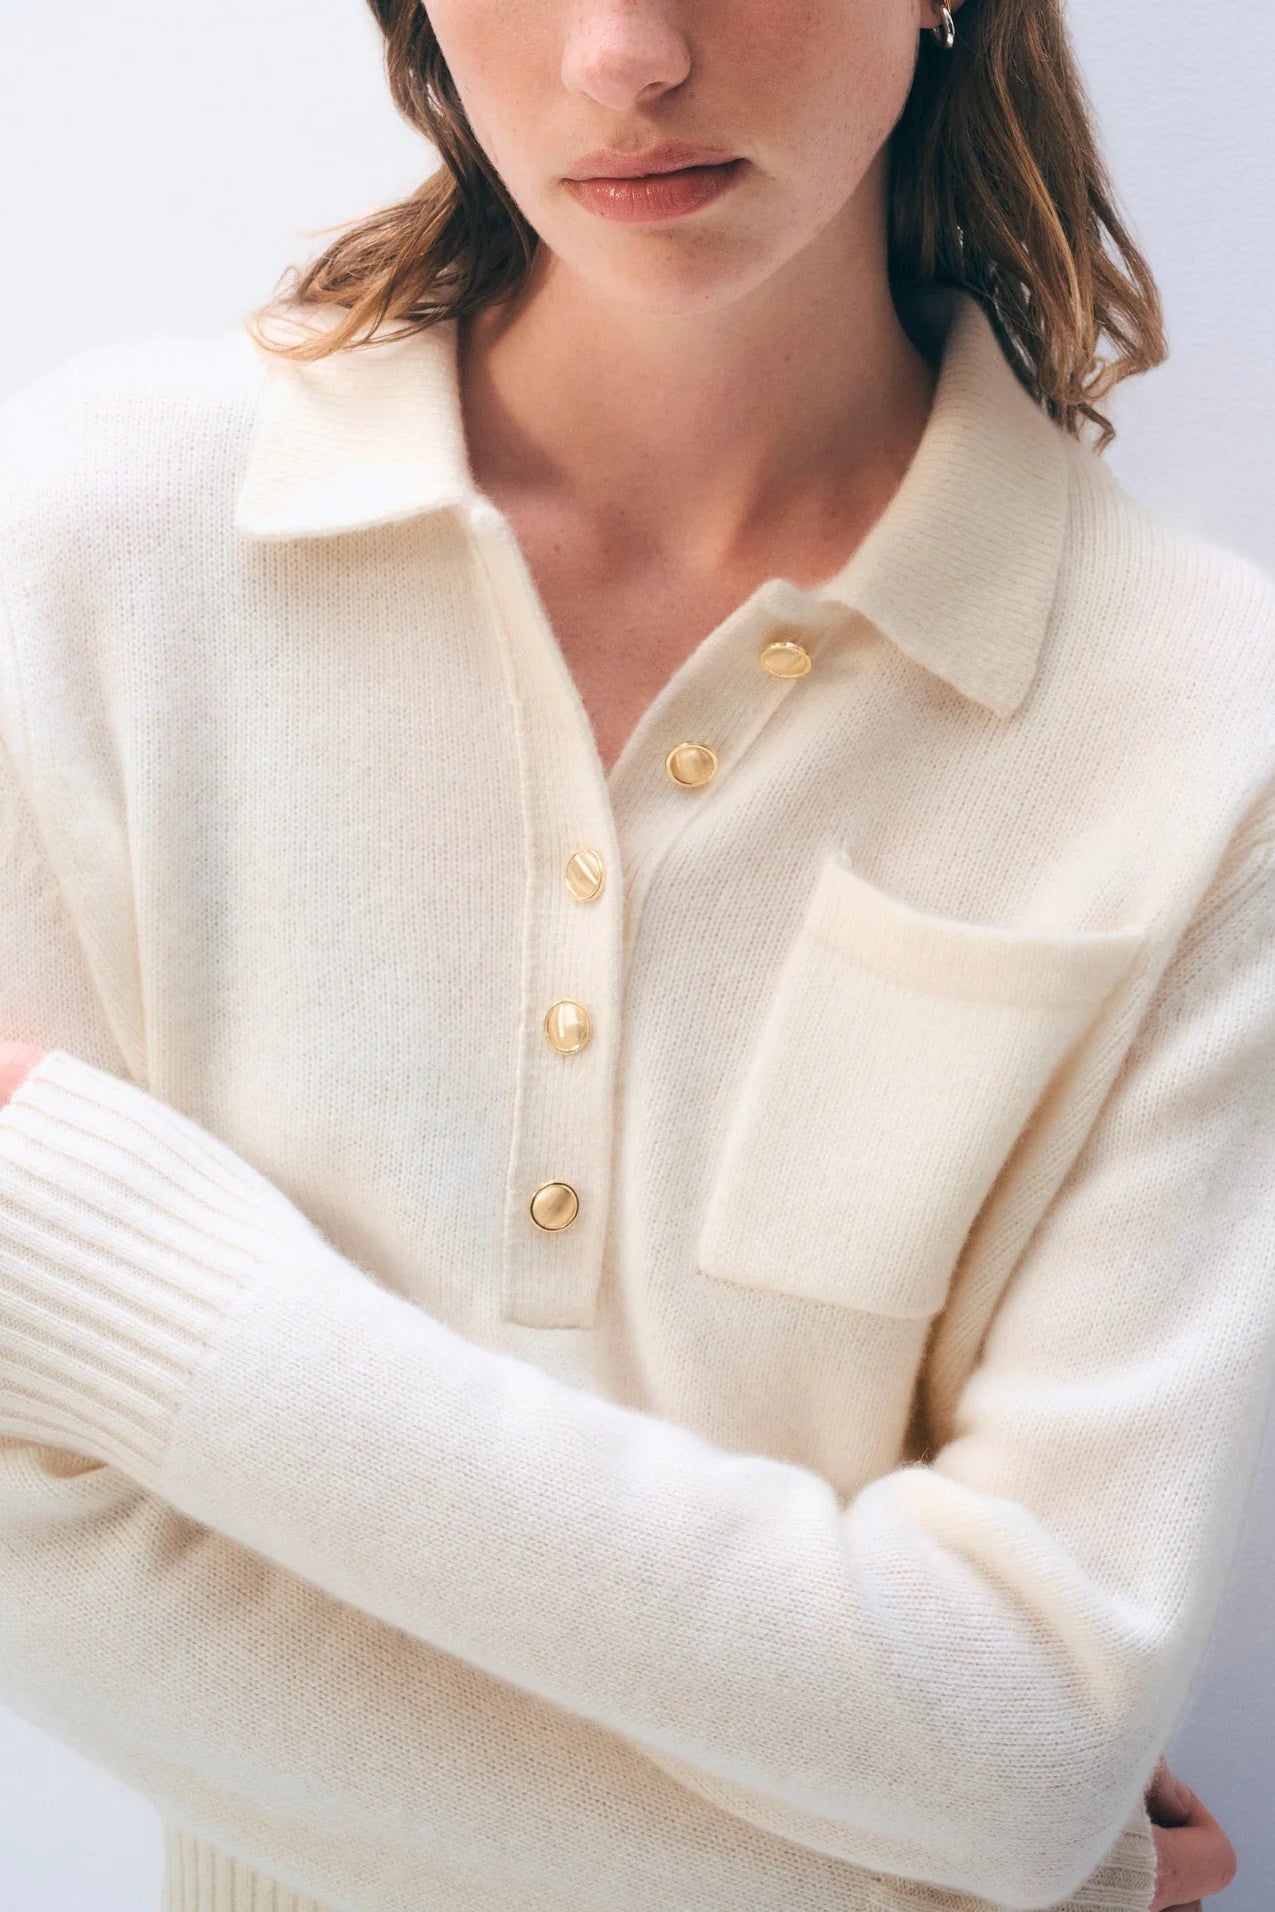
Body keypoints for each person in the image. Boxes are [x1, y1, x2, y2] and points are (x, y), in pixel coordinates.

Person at [0, 1, 1266, 1908]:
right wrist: (972, 1882)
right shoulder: (101, 547)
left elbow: (1028, 1720)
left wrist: (151, 1297)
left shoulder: (1199, 727)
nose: (625, 54)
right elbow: (33, 1548)